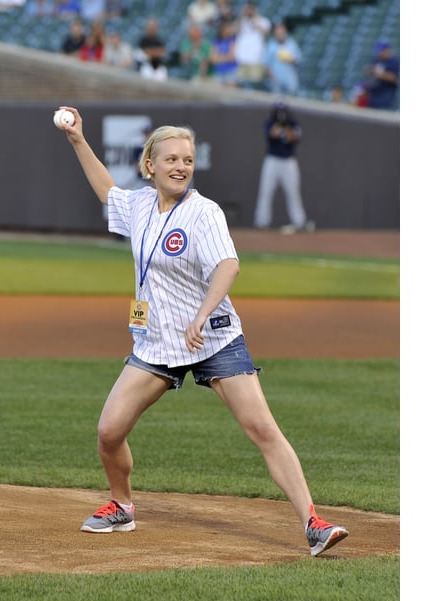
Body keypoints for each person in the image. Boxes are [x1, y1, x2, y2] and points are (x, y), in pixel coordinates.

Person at [54, 105, 350, 558]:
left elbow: (228, 265)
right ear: (150, 165)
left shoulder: (205, 213)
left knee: (261, 428)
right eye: (171, 159)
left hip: (213, 336)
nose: (181, 167)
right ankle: (123, 505)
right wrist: (77, 139)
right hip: (156, 341)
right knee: (109, 431)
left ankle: (313, 522)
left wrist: (200, 315)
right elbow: (107, 192)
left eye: (187, 160)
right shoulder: (137, 206)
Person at [253, 102, 311, 233]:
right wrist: (279, 125)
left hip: (289, 161)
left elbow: (294, 137)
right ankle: (262, 222)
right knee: (265, 191)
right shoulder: (270, 122)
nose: (281, 116)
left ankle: (299, 222)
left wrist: (286, 126)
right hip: (272, 160)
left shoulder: (293, 123)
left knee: (293, 193)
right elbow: (271, 134)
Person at [234, 2, 271, 89]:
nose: (249, 11)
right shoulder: (241, 21)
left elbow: (266, 32)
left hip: (256, 59)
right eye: (247, 9)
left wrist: (255, 18)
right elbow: (234, 31)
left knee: (255, 86)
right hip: (242, 59)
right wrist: (241, 16)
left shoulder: (263, 20)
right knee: (242, 86)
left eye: (251, 9)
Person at [263, 22, 301, 96]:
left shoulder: (291, 44)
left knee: (292, 98)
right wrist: (272, 77)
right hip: (276, 80)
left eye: (282, 33)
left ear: (285, 32)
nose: (280, 35)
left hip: (290, 78)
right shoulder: (271, 45)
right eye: (278, 34)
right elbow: (266, 64)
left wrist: (290, 59)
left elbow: (298, 59)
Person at [365, 39, 399, 111]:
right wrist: (370, 71)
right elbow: (371, 72)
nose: (379, 53)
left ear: (387, 50)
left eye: (382, 51)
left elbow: (395, 78)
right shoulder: (376, 60)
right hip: (373, 95)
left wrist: (380, 75)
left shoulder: (394, 62)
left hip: (386, 97)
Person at [209, 20, 238, 87]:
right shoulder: (216, 41)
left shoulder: (232, 40)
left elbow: (232, 57)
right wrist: (225, 57)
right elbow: (213, 59)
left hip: (231, 71)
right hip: (219, 71)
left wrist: (219, 57)